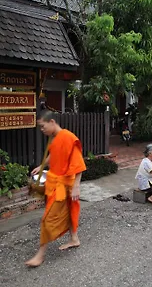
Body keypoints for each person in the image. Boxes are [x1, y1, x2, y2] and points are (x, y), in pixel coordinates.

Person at [25, 110, 86, 267]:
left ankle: (40, 254)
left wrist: (76, 187)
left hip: (65, 185)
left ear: (52, 122)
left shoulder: (68, 137)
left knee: (47, 219)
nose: (41, 129)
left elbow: (78, 163)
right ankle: (74, 239)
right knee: (69, 212)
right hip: (55, 184)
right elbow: (53, 155)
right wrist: (42, 166)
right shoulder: (55, 138)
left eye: (43, 126)